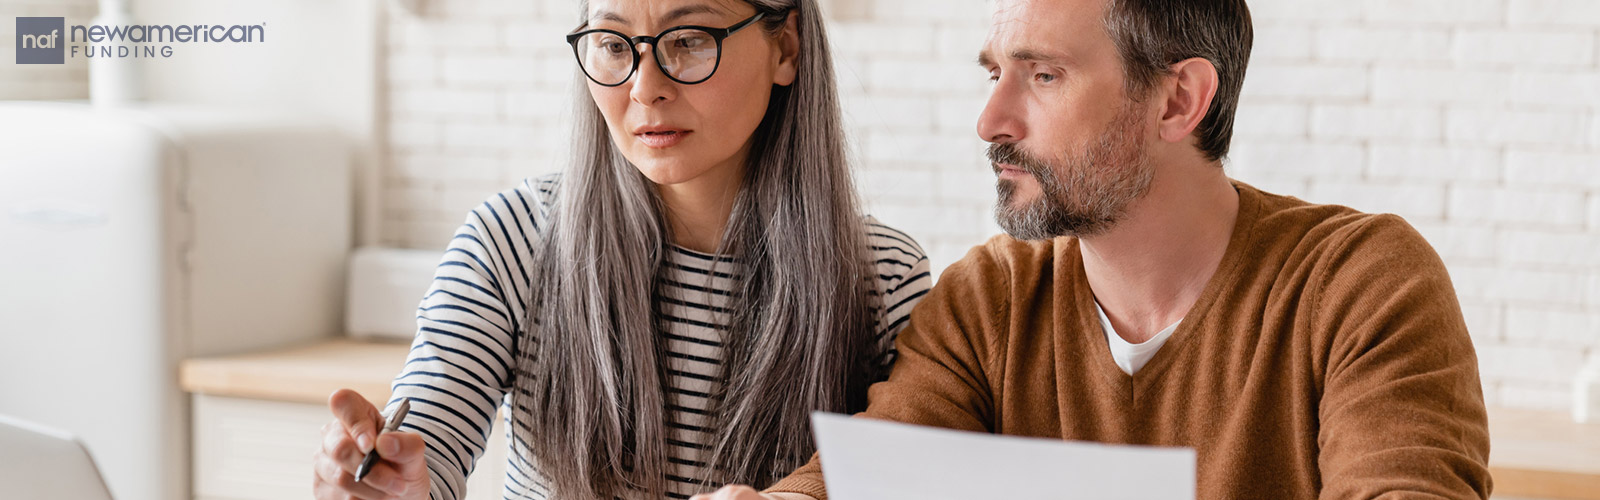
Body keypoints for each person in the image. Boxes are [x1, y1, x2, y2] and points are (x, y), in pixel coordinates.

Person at [696, 0, 1493, 498]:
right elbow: (883, 465)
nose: (991, 121)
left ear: (1179, 100)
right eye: (994, 74)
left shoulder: (1361, 283)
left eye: (1043, 76)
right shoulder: (990, 297)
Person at [310, 0, 932, 499]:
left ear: (786, 47)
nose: (645, 87)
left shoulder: (884, 278)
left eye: (688, 39)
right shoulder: (512, 240)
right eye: (613, 45)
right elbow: (430, 444)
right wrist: (392, 483)